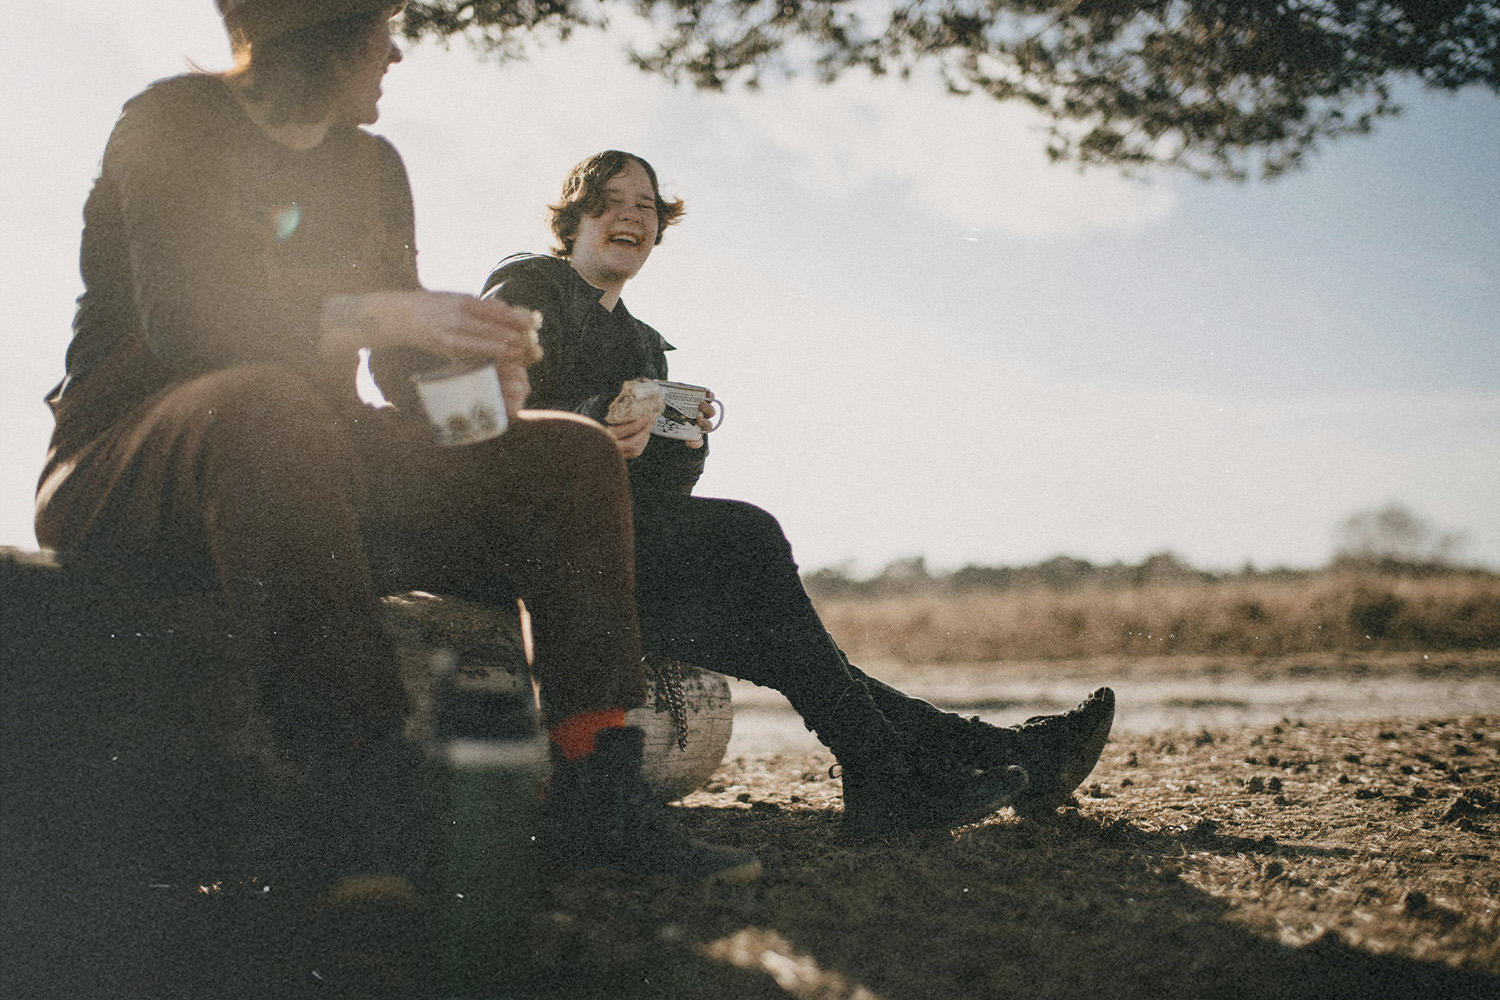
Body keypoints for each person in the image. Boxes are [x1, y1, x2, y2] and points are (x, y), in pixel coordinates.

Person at [34, 7, 759, 987]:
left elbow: (400, 370)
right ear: (319, 28)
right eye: (383, 26)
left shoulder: (373, 169)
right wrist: (383, 310)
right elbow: (185, 320)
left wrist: (482, 403)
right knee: (267, 403)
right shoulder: (173, 121)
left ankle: (598, 784)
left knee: (569, 453)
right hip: (139, 452)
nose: (398, 49)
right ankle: (365, 792)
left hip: (318, 454)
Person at [480, 151, 1117, 838]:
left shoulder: (642, 345)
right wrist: (591, 417)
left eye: (647, 206)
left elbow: (658, 495)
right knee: (750, 540)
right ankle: (922, 768)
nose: (632, 215)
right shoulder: (533, 287)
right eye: (612, 200)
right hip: (530, 545)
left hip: (614, 552)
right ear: (574, 216)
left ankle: (997, 757)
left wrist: (683, 445)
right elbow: (485, 403)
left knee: (794, 651)